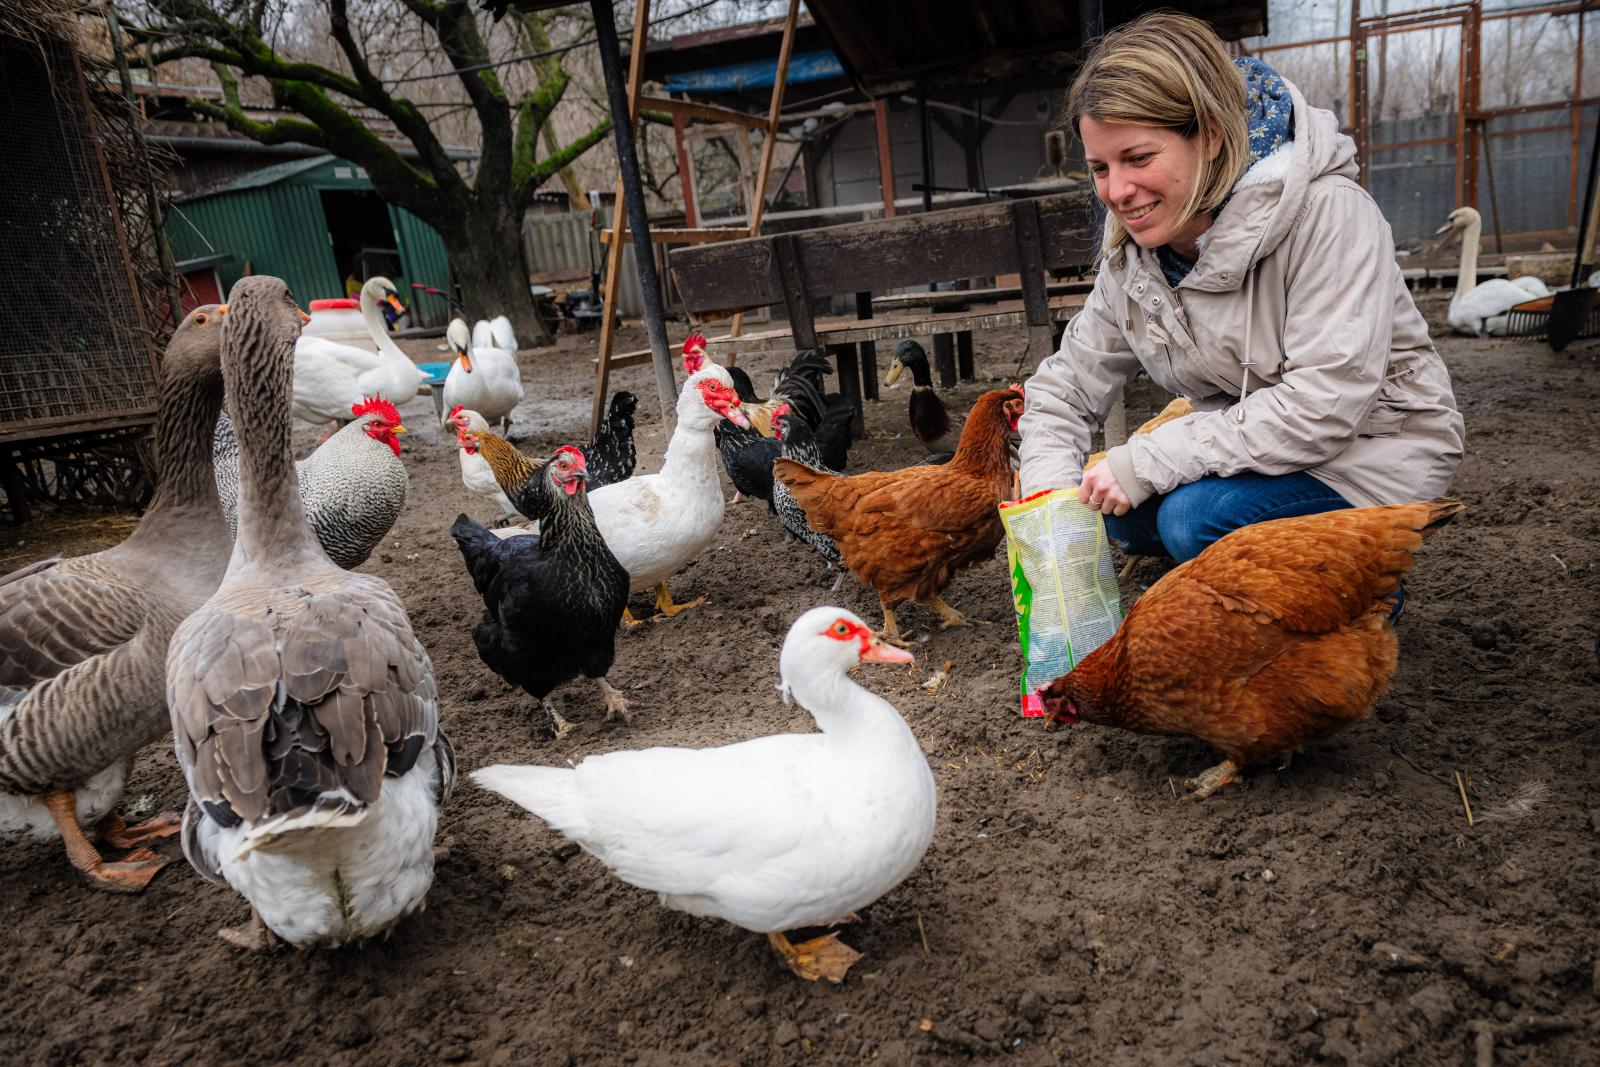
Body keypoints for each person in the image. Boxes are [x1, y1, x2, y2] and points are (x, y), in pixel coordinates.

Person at [1018, 12, 1464, 570]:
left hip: (1371, 449)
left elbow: (1325, 404)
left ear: (1210, 137)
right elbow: (1065, 389)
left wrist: (1153, 458)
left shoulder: (1327, 214)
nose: (1118, 190)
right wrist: (1047, 506)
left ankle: (1367, 583)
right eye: (1100, 167)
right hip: (1258, 448)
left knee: (1193, 520)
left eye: (1138, 158)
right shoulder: (1133, 258)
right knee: (1108, 508)